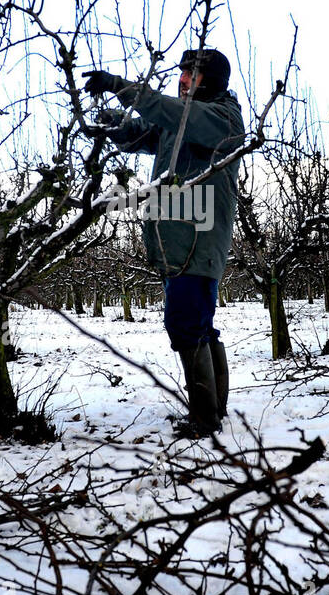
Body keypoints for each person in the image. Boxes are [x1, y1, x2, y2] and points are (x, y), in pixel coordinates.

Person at [83, 48, 244, 438]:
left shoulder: (220, 119)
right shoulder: (183, 121)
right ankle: (214, 411)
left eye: (194, 73)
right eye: (183, 71)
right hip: (177, 242)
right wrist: (110, 124)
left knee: (187, 324)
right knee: (199, 325)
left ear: (214, 81)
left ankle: (206, 419)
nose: (184, 78)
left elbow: (166, 112)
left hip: (197, 240)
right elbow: (145, 132)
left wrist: (120, 87)